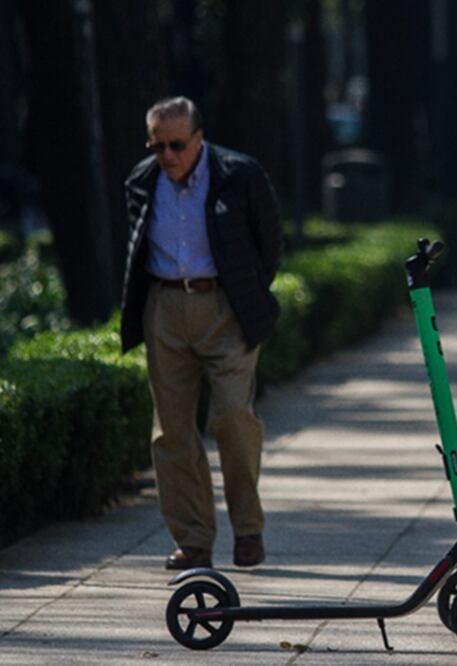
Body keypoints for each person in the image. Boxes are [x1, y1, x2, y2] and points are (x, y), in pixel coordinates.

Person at [120, 96, 283, 570]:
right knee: (171, 431)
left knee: (234, 417)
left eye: (175, 145)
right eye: (157, 146)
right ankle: (193, 540)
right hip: (165, 308)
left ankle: (248, 530)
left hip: (225, 308)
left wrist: (247, 289)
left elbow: (269, 243)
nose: (166, 156)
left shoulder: (240, 175)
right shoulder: (142, 180)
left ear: (198, 139)